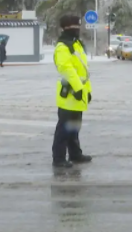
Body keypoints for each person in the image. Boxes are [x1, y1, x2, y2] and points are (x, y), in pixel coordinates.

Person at [52, 15, 93, 168]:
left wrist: (86, 91)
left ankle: (75, 154)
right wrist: (77, 88)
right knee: (64, 128)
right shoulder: (63, 46)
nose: (77, 29)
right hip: (68, 93)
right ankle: (58, 158)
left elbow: (83, 72)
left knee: (74, 127)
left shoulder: (77, 45)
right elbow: (66, 69)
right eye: (74, 27)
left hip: (78, 92)